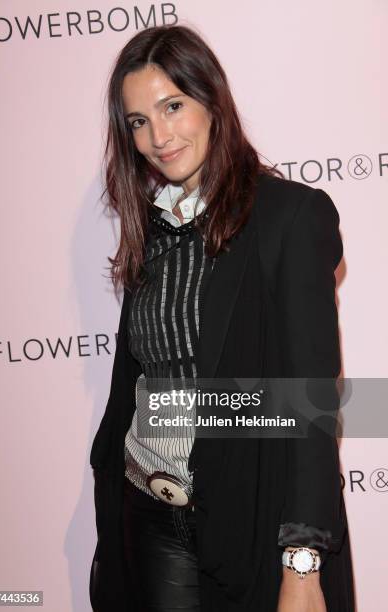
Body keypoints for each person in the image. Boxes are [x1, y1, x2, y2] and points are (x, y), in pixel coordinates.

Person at [89, 24, 355, 612]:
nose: (159, 136)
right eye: (138, 121)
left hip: (249, 524)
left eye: (173, 106)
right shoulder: (153, 230)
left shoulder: (288, 218)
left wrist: (303, 558)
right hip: (149, 520)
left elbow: (310, 402)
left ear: (210, 99)